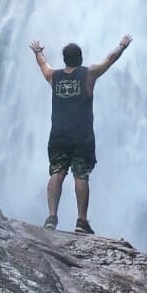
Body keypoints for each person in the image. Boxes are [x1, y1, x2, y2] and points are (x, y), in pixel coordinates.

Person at [29, 34, 132, 234]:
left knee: (57, 172)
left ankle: (51, 217)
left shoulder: (54, 76)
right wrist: (122, 45)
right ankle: (81, 221)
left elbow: (43, 65)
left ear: (65, 59)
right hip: (81, 135)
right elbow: (110, 59)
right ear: (80, 58)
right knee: (81, 175)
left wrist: (38, 52)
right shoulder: (89, 74)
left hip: (58, 134)